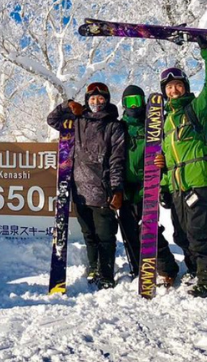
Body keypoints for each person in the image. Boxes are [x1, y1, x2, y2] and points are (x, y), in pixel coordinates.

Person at [154, 39, 207, 298]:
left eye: (178, 85)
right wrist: (163, 185)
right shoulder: (165, 122)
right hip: (176, 186)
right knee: (182, 235)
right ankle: (194, 271)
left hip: (198, 181)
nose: (174, 90)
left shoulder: (196, 110)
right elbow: (164, 158)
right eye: (169, 87)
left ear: (185, 88)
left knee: (201, 235)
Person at [47, 83, 126, 289]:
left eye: (101, 99)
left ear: (107, 100)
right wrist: (68, 105)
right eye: (92, 98)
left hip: (103, 191)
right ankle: (93, 267)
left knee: (106, 237)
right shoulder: (77, 121)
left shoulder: (114, 126)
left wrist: (117, 190)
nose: (96, 102)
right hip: (79, 192)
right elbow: (52, 119)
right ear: (87, 100)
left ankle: (107, 274)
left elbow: (117, 160)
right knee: (89, 235)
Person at [118, 85, 180, 286]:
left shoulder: (154, 126)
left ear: (144, 101)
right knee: (128, 231)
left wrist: (164, 163)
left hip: (149, 185)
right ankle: (139, 269)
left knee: (149, 229)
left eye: (137, 100)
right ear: (124, 104)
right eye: (129, 102)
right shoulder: (120, 127)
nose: (134, 105)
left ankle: (167, 269)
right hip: (126, 188)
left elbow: (170, 148)